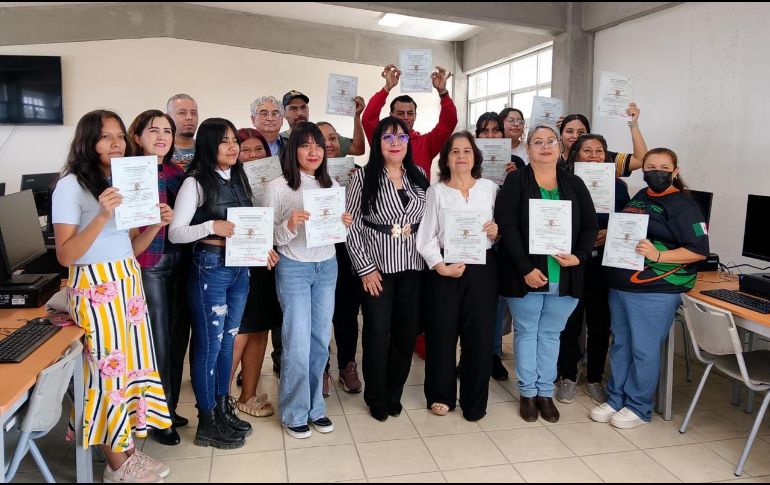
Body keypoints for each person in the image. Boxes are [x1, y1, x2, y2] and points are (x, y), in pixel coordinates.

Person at [53, 109, 172, 482]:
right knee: (105, 375)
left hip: (126, 281)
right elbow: (66, 254)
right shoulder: (70, 185)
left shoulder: (115, 180)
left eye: (119, 136)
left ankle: (128, 453)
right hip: (94, 287)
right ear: (88, 141)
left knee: (127, 369)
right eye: (106, 136)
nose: (116, 143)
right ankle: (118, 465)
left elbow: (128, 248)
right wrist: (102, 215)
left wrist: (154, 224)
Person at [169, 118, 278, 449]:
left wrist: (264, 250)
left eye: (234, 141)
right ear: (208, 145)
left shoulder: (240, 178)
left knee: (229, 343)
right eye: (224, 141)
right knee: (209, 345)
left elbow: (248, 226)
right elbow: (176, 232)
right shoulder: (195, 183)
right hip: (211, 267)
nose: (232, 147)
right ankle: (207, 420)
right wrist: (211, 226)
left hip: (240, 268)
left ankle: (222, 407)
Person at [590, 148, 708, 429]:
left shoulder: (684, 205)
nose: (656, 172)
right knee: (620, 345)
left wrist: (659, 256)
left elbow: (698, 251)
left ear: (675, 172)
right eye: (651, 166)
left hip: (655, 288)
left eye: (664, 167)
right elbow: (632, 228)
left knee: (644, 349)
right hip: (622, 283)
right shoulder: (641, 196)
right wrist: (612, 233)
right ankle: (616, 397)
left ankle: (639, 406)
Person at [495, 125, 598, 424]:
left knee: (552, 334)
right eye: (537, 142)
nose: (544, 146)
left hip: (565, 276)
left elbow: (590, 226)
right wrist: (525, 268)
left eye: (550, 141)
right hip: (526, 275)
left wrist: (578, 256)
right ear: (527, 150)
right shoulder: (516, 180)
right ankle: (527, 392)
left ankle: (544, 391)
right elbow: (508, 226)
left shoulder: (575, 183)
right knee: (527, 332)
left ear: (560, 147)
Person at [264, 122, 352, 439]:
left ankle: (316, 408)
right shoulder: (278, 188)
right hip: (294, 267)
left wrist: (343, 223)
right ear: (293, 150)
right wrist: (289, 224)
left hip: (326, 266)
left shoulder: (331, 185)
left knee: (318, 341)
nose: (313, 151)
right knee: (297, 341)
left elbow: (336, 235)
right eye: (305, 145)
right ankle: (294, 412)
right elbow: (267, 236)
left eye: (318, 145)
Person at [346, 117, 429, 422]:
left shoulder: (418, 174)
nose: (396, 144)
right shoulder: (362, 177)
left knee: (406, 335)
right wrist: (365, 268)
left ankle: (395, 391)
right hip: (377, 269)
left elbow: (429, 221)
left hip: (414, 267)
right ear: (377, 142)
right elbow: (351, 226)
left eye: (401, 138)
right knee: (378, 334)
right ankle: (376, 394)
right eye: (388, 138)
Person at [416, 131, 499, 421]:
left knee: (479, 337)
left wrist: (495, 231)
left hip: (482, 269)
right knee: (441, 334)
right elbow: (425, 237)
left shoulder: (489, 188)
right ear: (446, 159)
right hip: (445, 269)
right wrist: (440, 266)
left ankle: (475, 401)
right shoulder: (436, 192)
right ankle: (441, 395)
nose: (461, 156)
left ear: (475, 156)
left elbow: (499, 228)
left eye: (466, 150)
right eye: (454, 151)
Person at [128, 109, 189, 446]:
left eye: (167, 131)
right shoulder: (126, 171)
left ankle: (170, 407)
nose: (162, 137)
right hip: (148, 262)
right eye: (153, 131)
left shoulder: (175, 171)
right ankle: (158, 417)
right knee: (159, 342)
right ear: (137, 136)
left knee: (178, 337)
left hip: (179, 259)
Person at [555, 134, 631, 406]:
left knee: (600, 323)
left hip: (604, 262)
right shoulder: (562, 183)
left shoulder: (619, 187)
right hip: (573, 259)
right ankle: (568, 375)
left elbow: (628, 223)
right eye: (586, 151)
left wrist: (610, 232)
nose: (593, 156)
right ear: (575, 156)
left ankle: (595, 377)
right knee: (570, 321)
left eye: (599, 151)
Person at [229, 128, 281, 418]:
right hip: (239, 262)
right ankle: (219, 400)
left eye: (257, 150)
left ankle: (247, 395)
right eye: (244, 149)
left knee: (261, 328)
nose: (251, 155)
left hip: (269, 261)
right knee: (239, 332)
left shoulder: (279, 181)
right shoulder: (227, 180)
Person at [475, 111, 523, 381]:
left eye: (495, 130)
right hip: (475, 238)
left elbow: (525, 199)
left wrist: (518, 176)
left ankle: (493, 354)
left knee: (497, 303)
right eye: (485, 131)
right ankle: (471, 355)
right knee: (475, 301)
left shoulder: (514, 162)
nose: (491, 135)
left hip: (504, 239)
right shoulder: (469, 160)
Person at [318, 121, 365, 395]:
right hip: (319, 250)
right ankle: (321, 367)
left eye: (333, 138)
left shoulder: (357, 172)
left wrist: (356, 181)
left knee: (347, 313)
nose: (329, 143)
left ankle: (347, 365)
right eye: (322, 139)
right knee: (321, 313)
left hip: (350, 250)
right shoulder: (305, 175)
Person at [362, 64, 457, 174]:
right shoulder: (382, 139)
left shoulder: (426, 143)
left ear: (415, 116)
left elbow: (449, 123)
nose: (406, 117)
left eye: (410, 113)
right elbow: (368, 118)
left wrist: (443, 92)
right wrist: (386, 88)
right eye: (401, 113)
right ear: (391, 115)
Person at [557, 103, 647, 176]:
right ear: (561, 135)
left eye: (581, 132)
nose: (575, 136)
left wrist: (633, 124)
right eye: (569, 131)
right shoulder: (552, 159)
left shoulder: (603, 158)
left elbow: (640, 160)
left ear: (588, 135)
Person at [280, 90, 367, 156]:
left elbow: (358, 149)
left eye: (303, 107)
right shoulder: (279, 141)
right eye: (293, 109)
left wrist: (357, 116)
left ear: (308, 109)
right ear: (283, 113)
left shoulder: (321, 132)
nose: (300, 113)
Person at [166, 93, 199, 171]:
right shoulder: (160, 151)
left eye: (193, 113)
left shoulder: (207, 149)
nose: (189, 117)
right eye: (182, 113)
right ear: (168, 117)